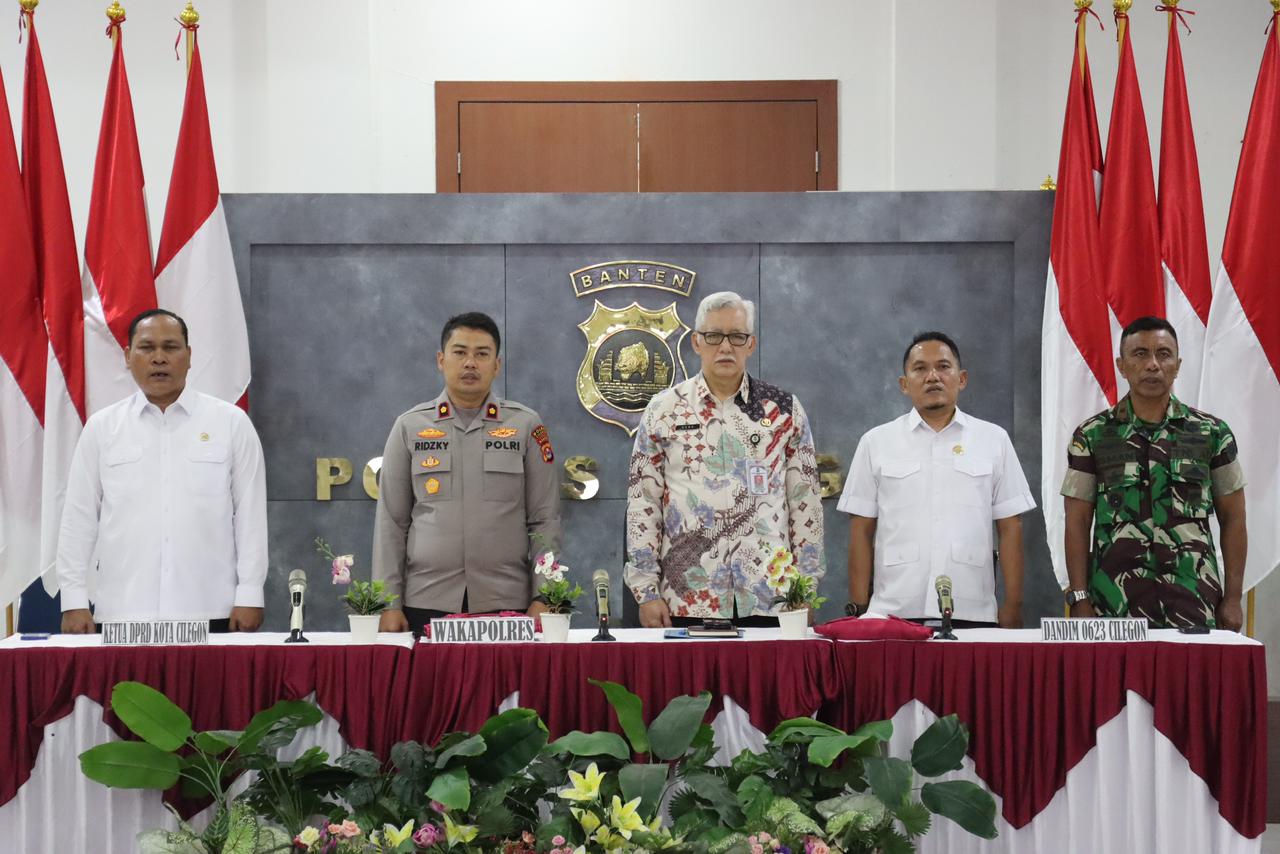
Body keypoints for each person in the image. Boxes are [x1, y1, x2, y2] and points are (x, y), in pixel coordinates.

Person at [57, 309, 267, 633]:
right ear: (128, 356)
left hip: (212, 609)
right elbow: (78, 518)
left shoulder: (230, 423)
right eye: (146, 347)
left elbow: (250, 517)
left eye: (170, 347)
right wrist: (73, 600)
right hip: (123, 613)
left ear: (189, 355)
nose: (159, 358)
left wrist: (251, 593)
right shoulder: (102, 428)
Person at [624, 291, 825, 628]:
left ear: (751, 344)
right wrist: (646, 591)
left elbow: (806, 505)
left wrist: (806, 588)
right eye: (714, 336)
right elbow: (642, 503)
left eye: (737, 336)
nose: (726, 347)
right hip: (686, 596)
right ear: (696, 342)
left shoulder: (783, 410)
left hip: (772, 597)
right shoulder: (663, 410)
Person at [373, 312, 561, 632]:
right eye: (460, 352)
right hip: (426, 600)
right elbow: (391, 521)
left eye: (482, 354)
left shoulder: (526, 425)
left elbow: (546, 519)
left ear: (497, 365)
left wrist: (545, 597)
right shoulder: (409, 426)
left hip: (507, 601)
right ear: (441, 360)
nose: (470, 363)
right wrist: (388, 603)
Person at [1061, 316, 1247, 630]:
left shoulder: (1212, 433)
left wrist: (1232, 598)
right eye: (1140, 354)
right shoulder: (1092, 436)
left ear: (1178, 365)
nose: (1152, 364)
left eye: (1163, 354)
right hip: (1115, 605)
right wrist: (1080, 598)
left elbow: (1234, 518)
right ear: (1121, 366)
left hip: (1193, 602)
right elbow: (1077, 521)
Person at [838, 332, 1034, 628]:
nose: (933, 377)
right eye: (920, 368)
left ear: (962, 378)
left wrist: (1013, 606)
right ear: (904, 384)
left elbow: (1010, 527)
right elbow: (861, 530)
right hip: (893, 610)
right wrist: (859, 608)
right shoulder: (875, 442)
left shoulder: (994, 440)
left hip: (973, 610)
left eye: (943, 367)